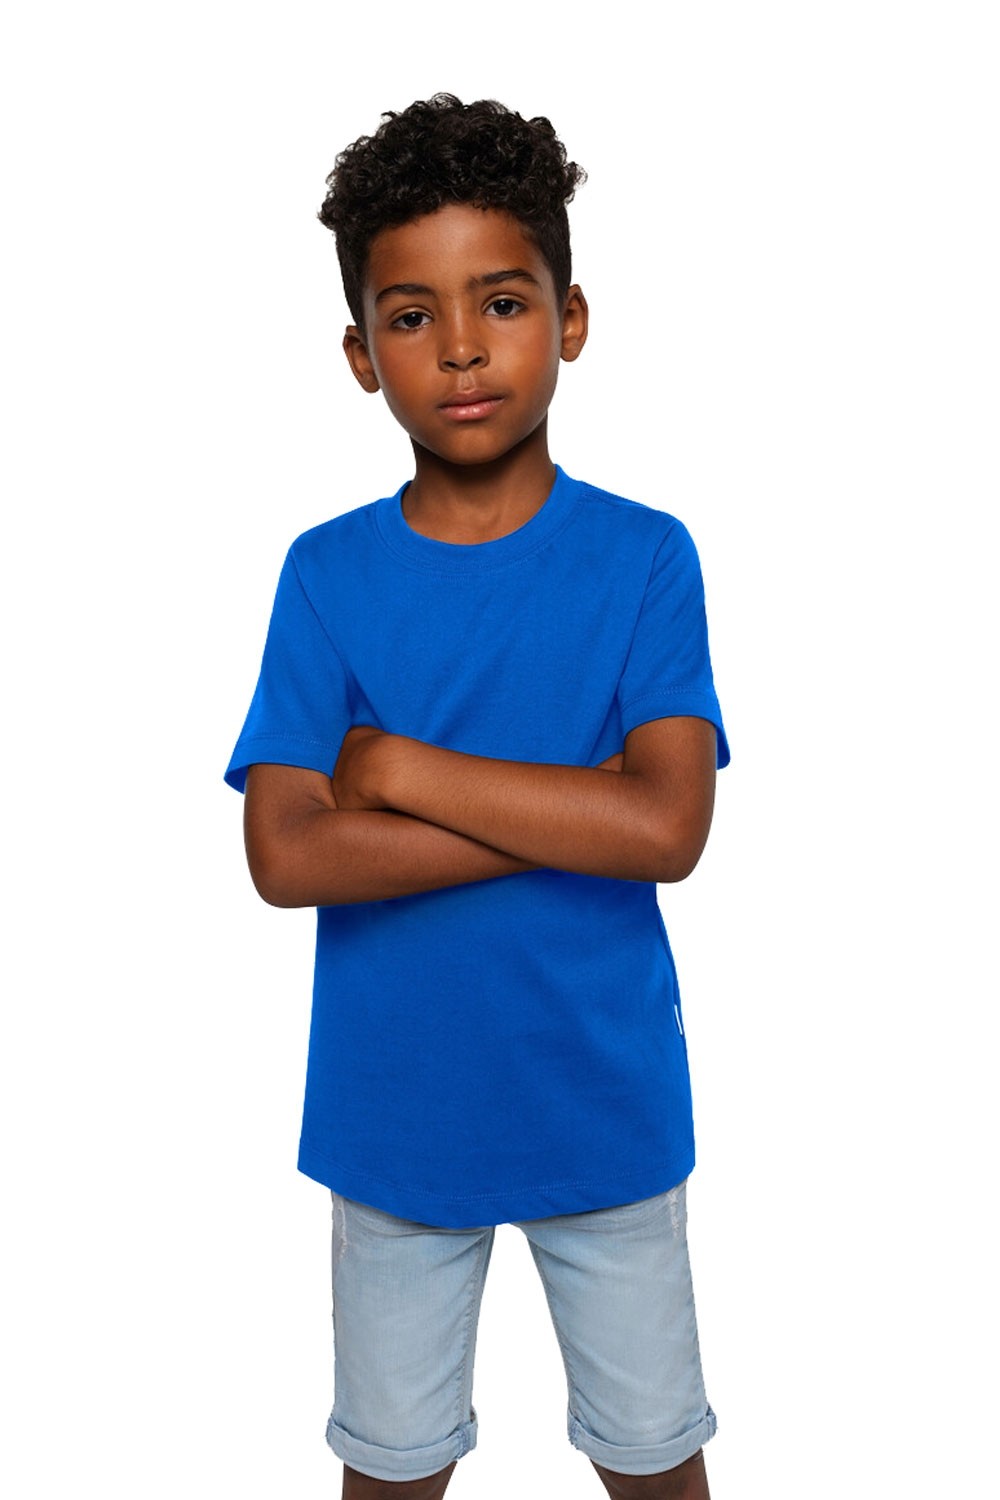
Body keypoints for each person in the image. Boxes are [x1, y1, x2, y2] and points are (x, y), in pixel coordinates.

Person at [226, 93, 729, 1500]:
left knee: (656, 1461)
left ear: (570, 319)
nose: (459, 346)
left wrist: (401, 775)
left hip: (603, 1107)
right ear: (359, 353)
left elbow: (667, 829)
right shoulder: (326, 574)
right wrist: (571, 813)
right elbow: (285, 856)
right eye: (411, 315)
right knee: (390, 1471)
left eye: (502, 301)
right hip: (395, 1121)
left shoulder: (645, 558)